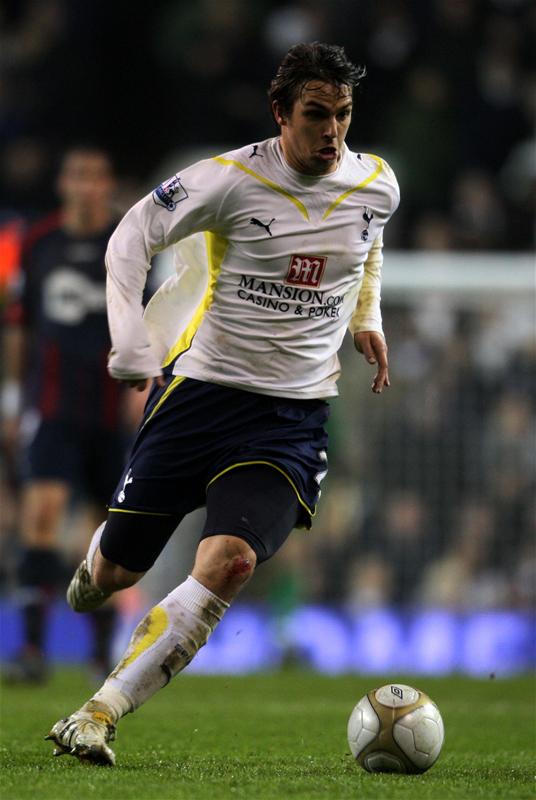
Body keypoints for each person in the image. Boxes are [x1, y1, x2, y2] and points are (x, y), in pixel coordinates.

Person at [45, 42, 399, 765]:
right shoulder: (228, 180)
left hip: (290, 417)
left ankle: (97, 712)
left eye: (343, 114)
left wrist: (368, 317)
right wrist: (132, 339)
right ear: (280, 114)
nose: (332, 131)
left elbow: (369, 246)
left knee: (231, 561)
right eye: (316, 114)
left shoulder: (376, 184)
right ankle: (95, 568)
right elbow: (129, 237)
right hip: (198, 397)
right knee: (116, 574)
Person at [2, 146, 134, 683]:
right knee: (41, 513)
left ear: (107, 185)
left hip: (109, 404)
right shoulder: (36, 242)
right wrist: (13, 396)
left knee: (104, 533)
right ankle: (33, 650)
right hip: (52, 405)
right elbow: (19, 324)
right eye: (76, 175)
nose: (85, 186)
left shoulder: (127, 242)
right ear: (63, 184)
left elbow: (150, 315)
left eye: (95, 177)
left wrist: (142, 383)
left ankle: (100, 654)